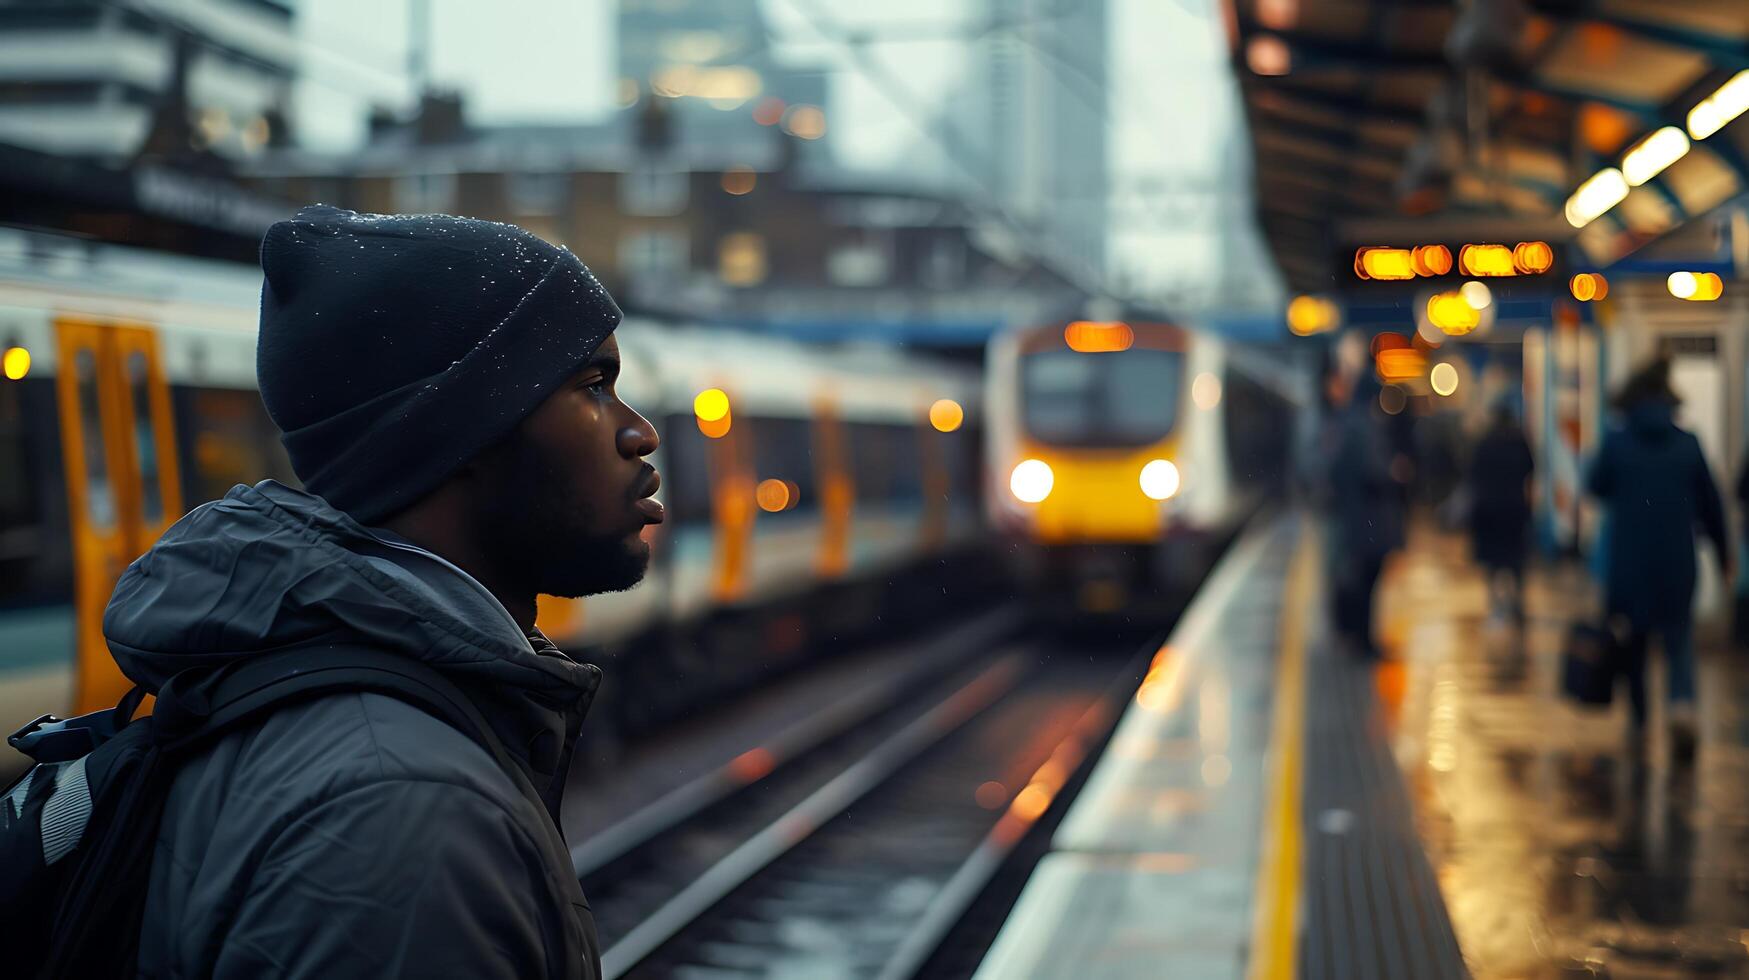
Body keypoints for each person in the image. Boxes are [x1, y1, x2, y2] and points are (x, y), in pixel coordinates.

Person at [102, 206, 661, 978]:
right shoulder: (403, 806)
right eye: (593, 384)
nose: (640, 432)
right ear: (463, 429)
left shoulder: (367, 734)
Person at [1586, 358, 1730, 762]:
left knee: (1633, 642)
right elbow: (1712, 506)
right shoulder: (1688, 443)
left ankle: (1640, 718)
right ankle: (1681, 705)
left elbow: (1595, 485)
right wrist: (1724, 555)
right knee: (1678, 639)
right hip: (1676, 563)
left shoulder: (1617, 442)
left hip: (1629, 564)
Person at [1321, 362, 1405, 660]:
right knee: (1367, 581)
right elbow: (1373, 470)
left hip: (1354, 517)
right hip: (1369, 520)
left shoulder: (1346, 423)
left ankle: (1356, 636)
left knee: (1358, 578)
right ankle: (1363, 640)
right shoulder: (1364, 425)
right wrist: (1393, 472)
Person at [1465, 402, 1535, 626]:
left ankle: (1495, 603)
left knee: (1493, 561)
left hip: (1490, 510)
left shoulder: (1485, 442)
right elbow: (1531, 468)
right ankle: (1518, 604)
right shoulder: (1519, 441)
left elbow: (1474, 473)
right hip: (1514, 508)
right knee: (1516, 560)